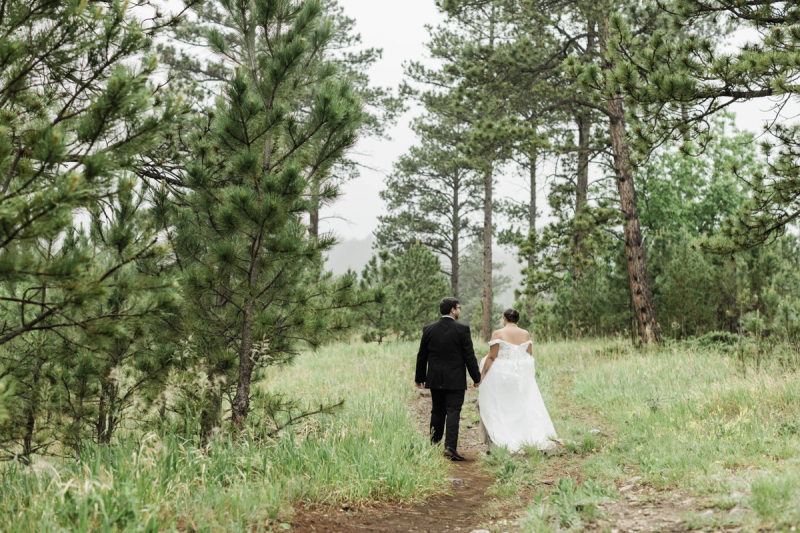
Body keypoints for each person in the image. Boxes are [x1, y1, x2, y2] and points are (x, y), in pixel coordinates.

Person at [478, 308, 557, 452]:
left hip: (501, 375)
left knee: (499, 406)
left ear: (504, 318)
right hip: (520, 376)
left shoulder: (498, 333)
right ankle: (523, 435)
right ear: (518, 320)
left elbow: (491, 357)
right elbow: (529, 357)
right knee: (519, 406)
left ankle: (501, 438)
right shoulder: (525, 334)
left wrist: (481, 376)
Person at [415, 297, 482, 461]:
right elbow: (469, 356)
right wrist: (476, 377)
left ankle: (434, 445)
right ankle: (450, 447)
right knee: (453, 411)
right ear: (452, 309)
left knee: (437, 411)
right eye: (458, 308)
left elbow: (422, 355)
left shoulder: (429, 329)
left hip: (435, 378)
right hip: (455, 380)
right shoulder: (462, 330)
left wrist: (419, 377)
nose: (459, 310)